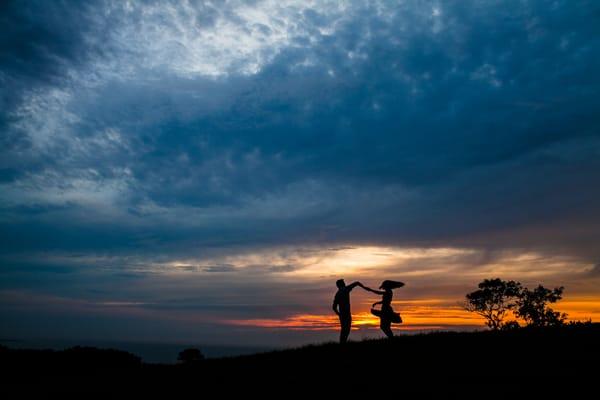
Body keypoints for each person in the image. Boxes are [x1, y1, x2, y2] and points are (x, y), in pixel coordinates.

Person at [332, 279, 365, 343]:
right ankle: (343, 342)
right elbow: (356, 282)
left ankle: (342, 342)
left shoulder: (337, 294)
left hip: (342, 314)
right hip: (346, 314)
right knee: (346, 329)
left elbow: (334, 307)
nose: (345, 283)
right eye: (343, 283)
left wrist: (338, 314)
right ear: (342, 284)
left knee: (344, 329)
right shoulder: (345, 289)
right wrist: (364, 287)